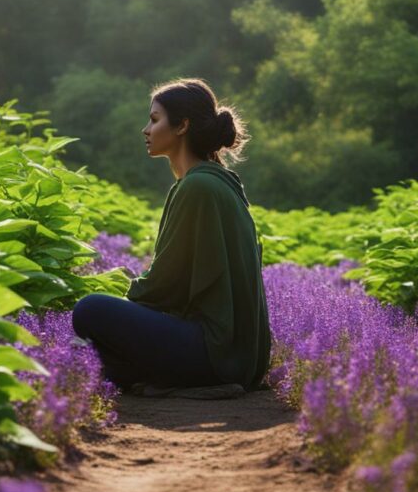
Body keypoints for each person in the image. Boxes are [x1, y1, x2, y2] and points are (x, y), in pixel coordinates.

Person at [71, 78, 271, 397]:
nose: (145, 130)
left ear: (182, 126)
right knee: (90, 344)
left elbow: (165, 287)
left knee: (88, 310)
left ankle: (170, 382)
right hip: (241, 357)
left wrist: (120, 286)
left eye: (154, 119)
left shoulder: (198, 187)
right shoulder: (215, 182)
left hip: (214, 354)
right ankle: (156, 380)